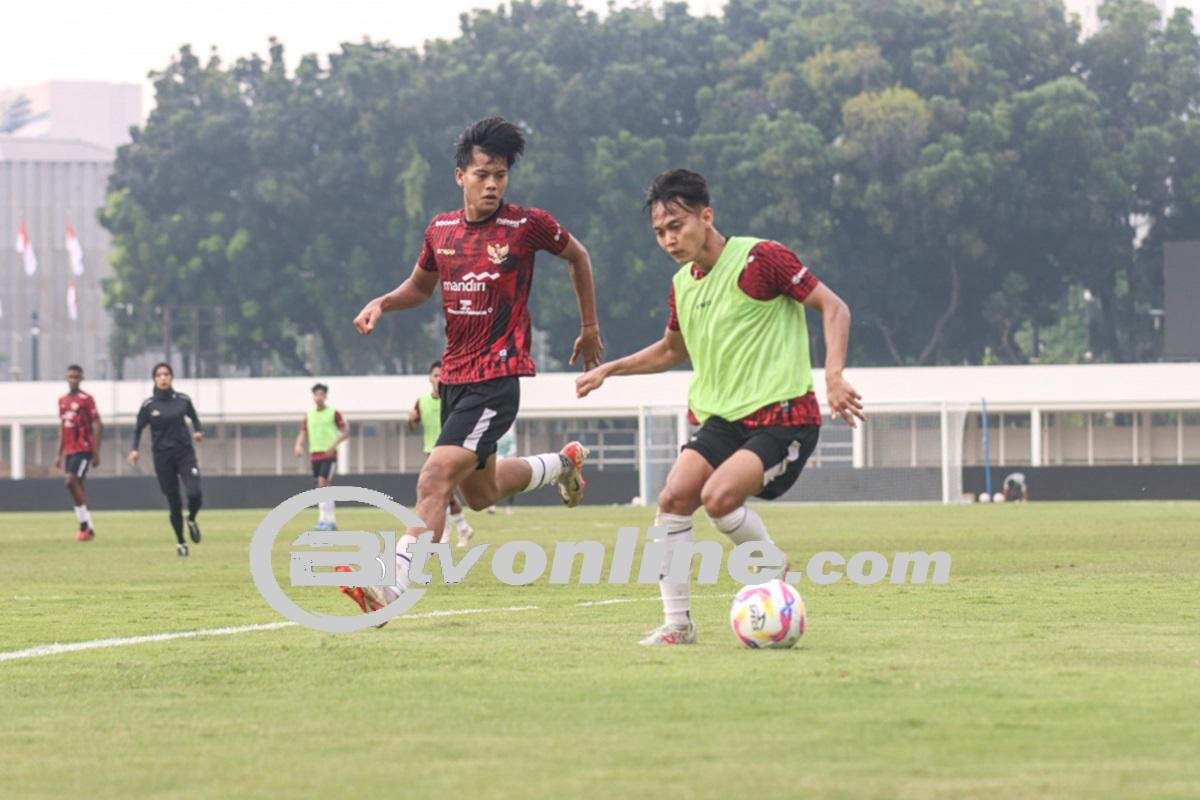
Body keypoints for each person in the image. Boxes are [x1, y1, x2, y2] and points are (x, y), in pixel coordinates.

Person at [576, 169, 865, 645]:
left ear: (706, 216)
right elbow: (672, 350)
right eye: (659, 232)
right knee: (673, 499)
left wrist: (833, 376)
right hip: (724, 420)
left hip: (783, 416)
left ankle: (773, 571)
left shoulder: (760, 259)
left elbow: (835, 308)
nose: (669, 240)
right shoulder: (682, 285)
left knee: (718, 498)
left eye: (677, 226)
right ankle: (678, 626)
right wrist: (611, 369)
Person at [353, 117, 604, 607]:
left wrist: (589, 327)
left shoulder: (526, 226)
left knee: (434, 478)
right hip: (455, 379)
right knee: (481, 493)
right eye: (482, 174)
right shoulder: (440, 230)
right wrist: (382, 302)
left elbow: (579, 257)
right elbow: (420, 287)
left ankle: (392, 586)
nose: (492, 184)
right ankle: (562, 464)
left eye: (500, 175)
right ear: (460, 176)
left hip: (497, 378)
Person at [128, 363, 205, 557]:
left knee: (195, 493)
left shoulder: (183, 400)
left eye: (166, 374)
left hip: (185, 454)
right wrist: (134, 450)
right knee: (174, 502)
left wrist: (198, 431)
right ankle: (181, 542)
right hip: (163, 457)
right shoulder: (149, 405)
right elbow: (138, 429)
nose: (163, 378)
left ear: (171, 377)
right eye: (159, 375)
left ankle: (192, 519)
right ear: (154, 379)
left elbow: (195, 419)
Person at [407, 361, 474, 547]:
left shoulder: (453, 400)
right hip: (430, 451)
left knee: (441, 492)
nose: (439, 379)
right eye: (436, 375)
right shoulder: (422, 402)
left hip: (449, 450)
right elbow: (412, 427)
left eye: (442, 376)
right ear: (430, 378)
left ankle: (446, 531)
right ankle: (462, 528)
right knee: (445, 493)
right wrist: (411, 420)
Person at [54, 364, 102, 542]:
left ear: (81, 379)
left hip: (84, 448)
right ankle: (88, 528)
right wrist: (58, 454)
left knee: (70, 481)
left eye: (76, 377)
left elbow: (99, 425)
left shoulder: (86, 399)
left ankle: (84, 526)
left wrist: (96, 452)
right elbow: (63, 427)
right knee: (77, 487)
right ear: (66, 378)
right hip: (70, 450)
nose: (73, 380)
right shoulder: (62, 400)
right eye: (70, 377)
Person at [293, 382, 350, 530]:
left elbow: (345, 432)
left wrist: (333, 446)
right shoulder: (309, 415)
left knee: (322, 483)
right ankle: (330, 521)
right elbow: (303, 432)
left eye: (321, 394)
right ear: (313, 397)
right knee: (322, 488)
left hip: (329, 455)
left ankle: (323, 520)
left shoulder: (333, 413)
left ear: (325, 397)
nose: (319, 397)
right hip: (314, 455)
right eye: (316, 394)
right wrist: (298, 445)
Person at [486, 427, 518, 515]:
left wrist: (504, 456)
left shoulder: (509, 437)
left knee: (511, 485)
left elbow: (513, 449)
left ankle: (509, 507)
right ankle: (492, 506)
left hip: (506, 461)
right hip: (496, 461)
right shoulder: (495, 435)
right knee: (493, 483)